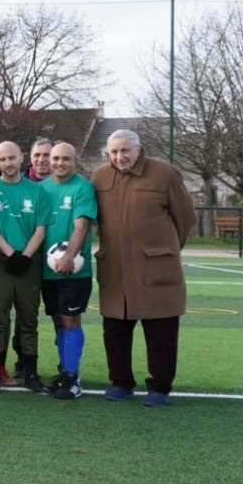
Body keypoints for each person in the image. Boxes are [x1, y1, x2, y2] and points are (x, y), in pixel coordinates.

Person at [92, 130, 197, 407]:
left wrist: (167, 250)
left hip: (155, 269)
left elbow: (185, 217)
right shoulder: (99, 177)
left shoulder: (165, 174)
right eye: (114, 152)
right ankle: (121, 382)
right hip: (114, 268)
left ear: (140, 149)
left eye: (125, 150)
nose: (119, 157)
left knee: (161, 332)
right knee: (115, 329)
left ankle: (160, 387)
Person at [0, 141, 46, 391]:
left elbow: (41, 227)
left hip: (29, 260)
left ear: (22, 158)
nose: (8, 163)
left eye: (12, 158)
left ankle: (30, 373)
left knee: (29, 318)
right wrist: (10, 254)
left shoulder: (37, 191)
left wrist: (26, 255)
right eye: (2, 159)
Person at [38, 141, 97, 400]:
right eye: (56, 158)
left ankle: (73, 378)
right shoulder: (41, 188)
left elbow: (81, 226)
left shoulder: (82, 188)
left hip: (74, 271)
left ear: (75, 161)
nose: (59, 163)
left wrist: (69, 257)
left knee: (71, 319)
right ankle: (64, 371)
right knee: (58, 320)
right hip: (47, 270)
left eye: (65, 159)